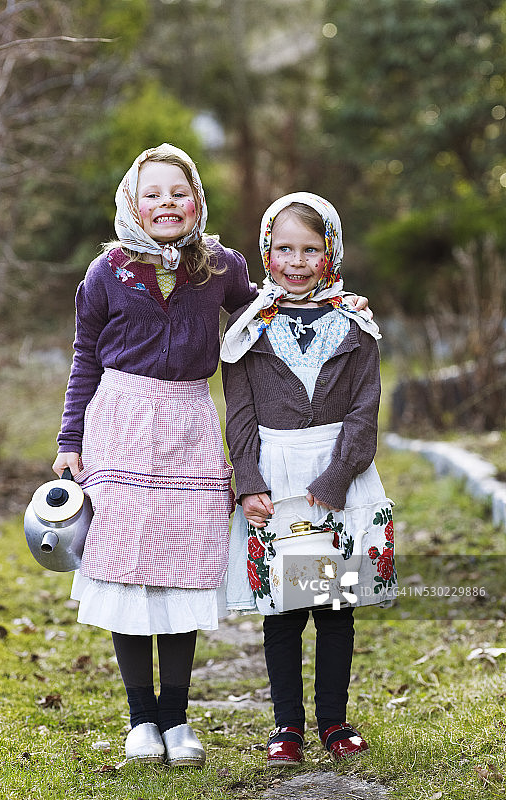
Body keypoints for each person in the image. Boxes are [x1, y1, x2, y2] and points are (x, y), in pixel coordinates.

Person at [53, 145, 371, 768]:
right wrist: (70, 443)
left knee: (180, 572)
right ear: (131, 203)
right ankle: (141, 719)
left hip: (191, 432)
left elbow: (269, 308)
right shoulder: (105, 271)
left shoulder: (218, 267)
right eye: (153, 194)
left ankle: (177, 720)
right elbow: (84, 356)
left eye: (179, 192)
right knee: (129, 573)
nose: (166, 204)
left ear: (197, 199)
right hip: (120, 428)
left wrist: (340, 306)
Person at [221, 192, 395, 766]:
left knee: (334, 605)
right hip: (278, 473)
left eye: (311, 250)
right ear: (266, 251)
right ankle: (287, 728)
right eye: (284, 248)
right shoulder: (250, 330)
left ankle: (334, 721)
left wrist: (339, 474)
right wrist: (248, 480)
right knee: (285, 608)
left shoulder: (356, 323)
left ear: (331, 254)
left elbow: (366, 409)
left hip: (339, 468)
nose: (296, 262)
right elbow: (240, 413)